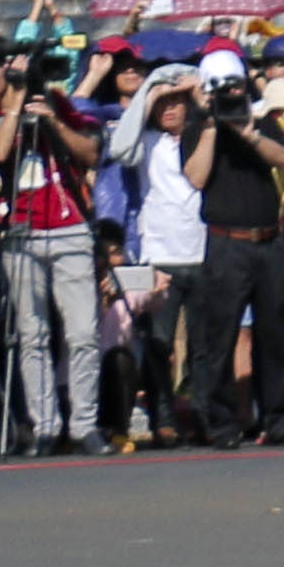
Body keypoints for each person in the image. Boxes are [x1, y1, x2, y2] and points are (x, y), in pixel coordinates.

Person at [0, 49, 108, 454]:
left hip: (69, 229)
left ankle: (85, 425)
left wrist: (49, 119)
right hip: (19, 234)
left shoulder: (56, 105)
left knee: (83, 333)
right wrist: (13, 110)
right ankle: (45, 425)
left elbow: (89, 153)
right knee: (32, 336)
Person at [185, 51, 284, 447]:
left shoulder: (263, 123)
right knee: (219, 338)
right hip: (226, 244)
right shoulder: (198, 128)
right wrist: (211, 127)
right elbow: (197, 178)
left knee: (277, 336)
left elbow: (280, 158)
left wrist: (247, 130)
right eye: (222, 89)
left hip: (268, 241)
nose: (231, 95)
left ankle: (282, 419)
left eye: (235, 86)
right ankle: (221, 424)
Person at [107, 60, 209, 442]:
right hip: (159, 255)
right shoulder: (146, 142)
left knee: (202, 346)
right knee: (157, 345)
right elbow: (119, 148)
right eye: (163, 103)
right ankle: (163, 419)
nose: (169, 108)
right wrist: (149, 92)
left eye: (176, 101)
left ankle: (203, 417)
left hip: (201, 251)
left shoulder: (203, 135)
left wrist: (198, 91)